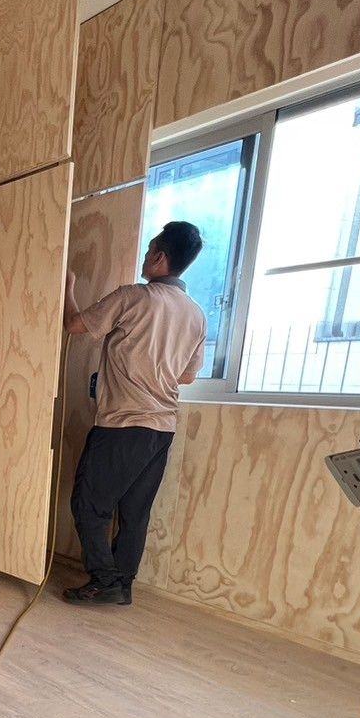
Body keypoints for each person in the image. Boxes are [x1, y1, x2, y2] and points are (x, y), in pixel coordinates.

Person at [61, 220, 206, 606]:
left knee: (89, 504)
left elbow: (75, 325)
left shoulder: (134, 297)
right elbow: (188, 376)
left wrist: (68, 287)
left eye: (149, 249)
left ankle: (105, 579)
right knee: (135, 512)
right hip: (162, 429)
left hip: (123, 424)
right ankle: (122, 583)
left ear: (160, 256)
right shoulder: (196, 314)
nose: (145, 256)